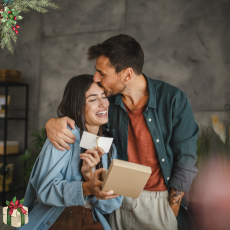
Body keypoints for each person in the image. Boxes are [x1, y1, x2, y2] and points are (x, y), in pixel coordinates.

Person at [46, 34, 199, 230]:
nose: (96, 78)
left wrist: (171, 210)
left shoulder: (173, 100)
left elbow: (185, 160)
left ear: (127, 75)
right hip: (115, 200)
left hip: (159, 203)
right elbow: (84, 124)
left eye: (102, 73)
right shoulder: (107, 102)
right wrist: (51, 122)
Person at [18, 74, 122, 230]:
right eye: (93, 99)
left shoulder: (109, 146)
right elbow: (45, 190)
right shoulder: (64, 134)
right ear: (78, 107)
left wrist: (89, 176)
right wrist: (87, 188)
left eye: (104, 96)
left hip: (91, 219)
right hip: (57, 218)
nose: (103, 104)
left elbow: (111, 205)